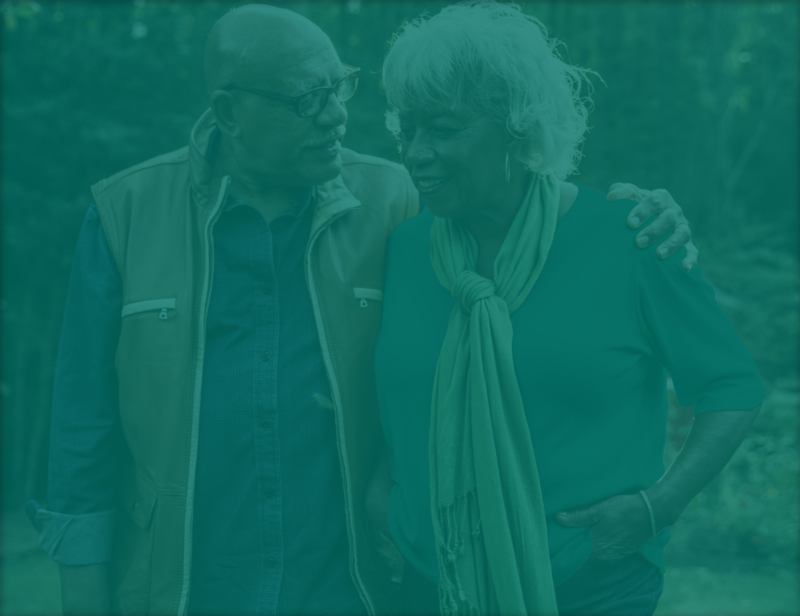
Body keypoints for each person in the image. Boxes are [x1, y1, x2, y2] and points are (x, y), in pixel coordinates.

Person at [25, 4, 697, 615]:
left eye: (339, 86)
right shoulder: (124, 214)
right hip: (184, 592)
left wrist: (637, 213)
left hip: (356, 591)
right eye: (307, 98)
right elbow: (82, 433)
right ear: (230, 113)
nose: (337, 114)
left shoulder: (404, 200)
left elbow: (529, 227)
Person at [370, 3, 766, 616]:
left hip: (593, 585)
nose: (416, 152)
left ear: (518, 128)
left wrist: (659, 506)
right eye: (408, 129)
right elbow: (382, 403)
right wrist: (381, 497)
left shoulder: (632, 240)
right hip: (430, 585)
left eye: (443, 129)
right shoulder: (401, 248)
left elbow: (730, 388)